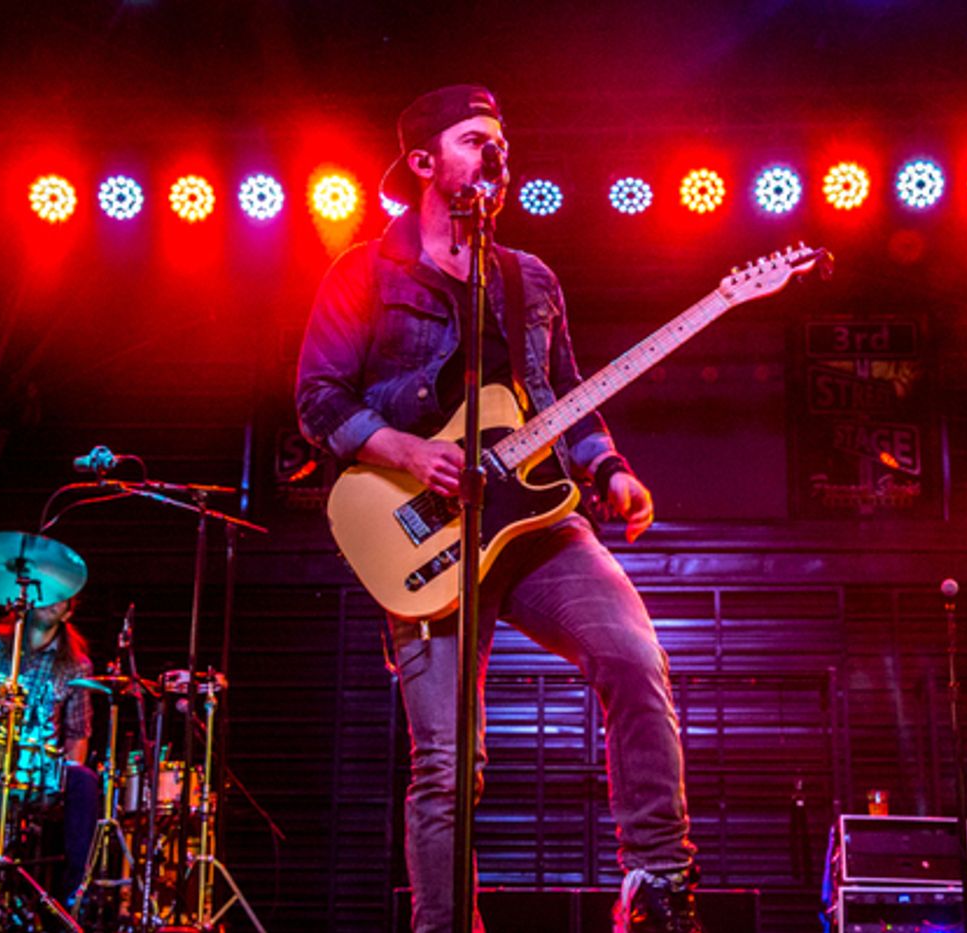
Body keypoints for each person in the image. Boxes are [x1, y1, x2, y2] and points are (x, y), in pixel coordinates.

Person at [296, 85, 702, 932]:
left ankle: (658, 881)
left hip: (536, 523)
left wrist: (609, 467)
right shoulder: (362, 272)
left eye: (502, 140)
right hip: (421, 527)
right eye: (475, 139)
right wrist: (409, 451)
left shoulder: (530, 278)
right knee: (446, 762)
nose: (496, 152)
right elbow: (319, 402)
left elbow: (560, 398)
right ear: (422, 162)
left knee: (634, 659)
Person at [0, 597, 100, 902]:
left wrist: (64, 779)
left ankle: (74, 897)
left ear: (70, 611)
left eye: (63, 598)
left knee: (85, 781)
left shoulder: (77, 665)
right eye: (49, 594)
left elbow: (77, 733)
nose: (55, 602)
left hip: (36, 769)